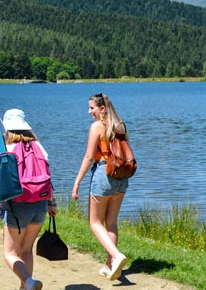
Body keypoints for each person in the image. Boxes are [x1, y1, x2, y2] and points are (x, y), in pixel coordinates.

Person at [72, 92, 128, 281]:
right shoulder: (120, 125)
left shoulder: (97, 126)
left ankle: (116, 256)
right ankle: (109, 266)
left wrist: (77, 182)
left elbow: (89, 157)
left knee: (94, 222)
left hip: (104, 174)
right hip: (121, 176)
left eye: (92, 108)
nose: (89, 112)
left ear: (102, 109)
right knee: (111, 223)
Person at [1, 108, 57, 290]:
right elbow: (48, 176)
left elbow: (1, 180)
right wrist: (51, 202)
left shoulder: (7, 149)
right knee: (26, 249)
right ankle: (26, 287)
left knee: (10, 253)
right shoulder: (39, 146)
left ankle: (29, 282)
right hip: (40, 204)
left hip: (18, 206)